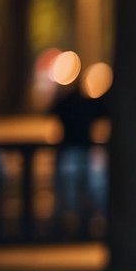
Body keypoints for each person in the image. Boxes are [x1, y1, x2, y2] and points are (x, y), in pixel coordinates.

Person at [51, 81, 109, 237]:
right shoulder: (86, 104)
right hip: (82, 150)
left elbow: (51, 110)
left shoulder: (65, 103)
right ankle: (83, 224)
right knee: (83, 190)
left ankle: (70, 225)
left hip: (70, 151)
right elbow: (104, 110)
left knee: (69, 191)